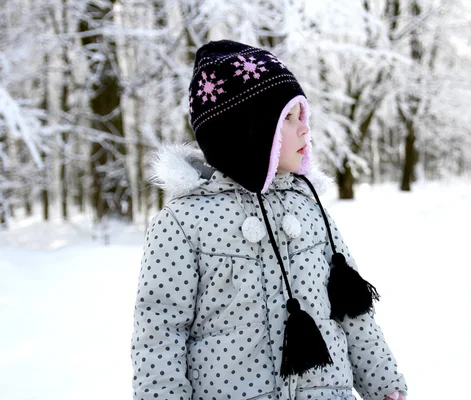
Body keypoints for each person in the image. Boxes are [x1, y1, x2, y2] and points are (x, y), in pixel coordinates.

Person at [130, 40, 408, 400]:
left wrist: (383, 384)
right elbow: (159, 332)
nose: (305, 130)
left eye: (302, 116)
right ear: (248, 131)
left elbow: (353, 310)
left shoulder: (310, 209)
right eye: (288, 119)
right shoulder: (184, 222)